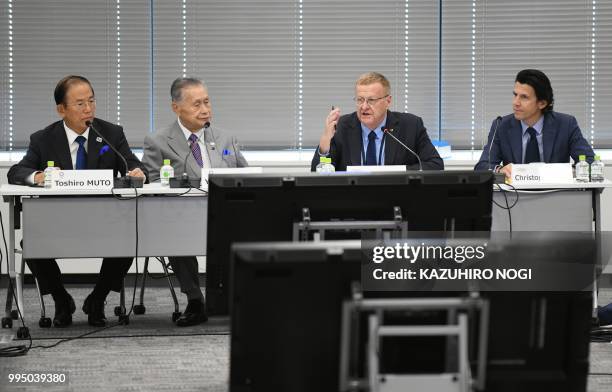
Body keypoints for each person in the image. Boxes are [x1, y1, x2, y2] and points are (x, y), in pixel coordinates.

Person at [7, 75, 148, 327]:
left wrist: (138, 173)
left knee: (130, 238)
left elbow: (132, 165)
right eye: (80, 103)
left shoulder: (111, 133)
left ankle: (98, 298)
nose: (88, 109)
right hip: (57, 221)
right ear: (61, 109)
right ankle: (61, 300)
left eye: (92, 101)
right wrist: (38, 176)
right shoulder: (43, 139)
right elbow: (17, 172)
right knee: (31, 242)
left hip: (105, 219)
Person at [142, 77, 247, 326]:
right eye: (197, 104)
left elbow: (245, 175)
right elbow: (154, 184)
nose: (205, 109)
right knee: (174, 235)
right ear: (176, 107)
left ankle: (236, 299)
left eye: (207, 102)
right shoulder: (158, 141)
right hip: (180, 215)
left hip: (224, 213)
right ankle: (195, 300)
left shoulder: (225, 138)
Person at [311, 72, 443, 171]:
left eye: (371, 100)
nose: (364, 106)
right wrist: (324, 146)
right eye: (360, 100)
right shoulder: (342, 127)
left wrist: (397, 173)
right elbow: (319, 171)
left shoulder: (410, 126)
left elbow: (435, 165)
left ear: (388, 101)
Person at [474, 69, 594, 177]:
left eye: (524, 97)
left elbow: (590, 161)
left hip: (555, 195)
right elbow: (482, 167)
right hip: (515, 198)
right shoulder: (501, 126)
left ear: (542, 103)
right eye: (515, 95)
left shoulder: (566, 125)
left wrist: (563, 172)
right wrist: (500, 170)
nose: (516, 102)